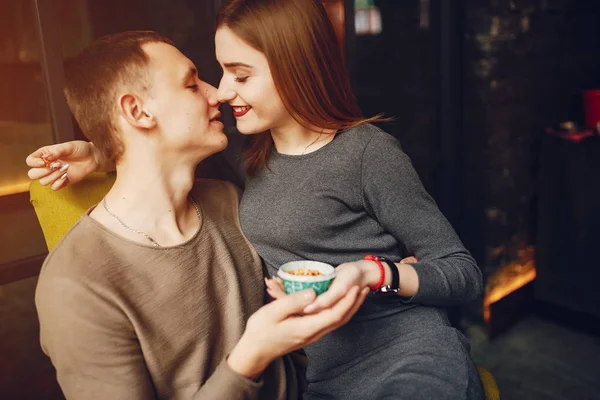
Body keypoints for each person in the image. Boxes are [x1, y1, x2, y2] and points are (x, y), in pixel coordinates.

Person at [28, 0, 485, 399]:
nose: (221, 92)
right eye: (200, 81)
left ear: (293, 67)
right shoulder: (242, 164)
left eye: (238, 74)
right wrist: (105, 149)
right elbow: (157, 162)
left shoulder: (351, 157)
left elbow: (460, 271)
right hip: (328, 377)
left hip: (405, 358)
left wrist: (375, 272)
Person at [29, 30, 369, 400]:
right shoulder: (75, 285)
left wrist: (389, 273)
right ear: (138, 111)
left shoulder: (228, 200)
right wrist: (251, 356)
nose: (218, 93)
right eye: (192, 85)